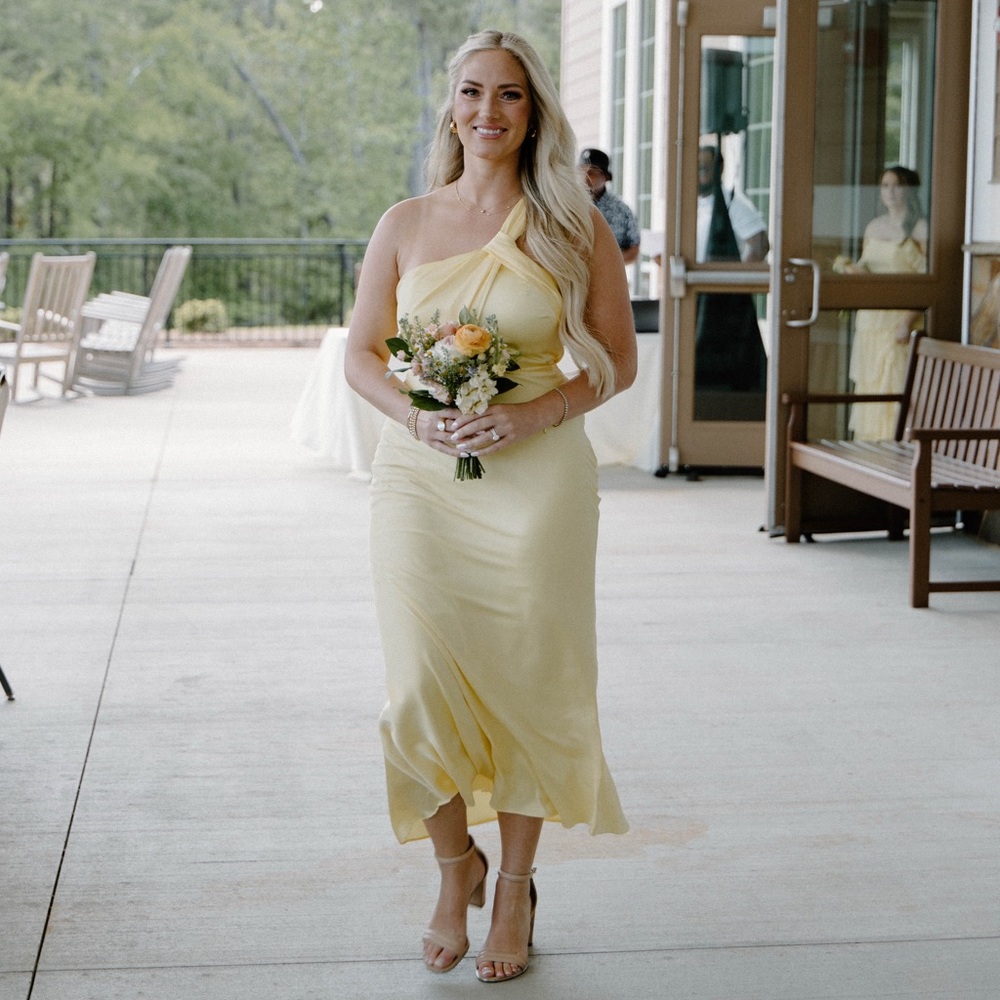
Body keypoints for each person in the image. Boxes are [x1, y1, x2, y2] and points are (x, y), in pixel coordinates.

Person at [345, 29, 635, 984]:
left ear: (534, 111)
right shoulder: (406, 221)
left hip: (537, 480)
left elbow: (617, 362)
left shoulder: (572, 226)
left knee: (529, 682)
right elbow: (361, 355)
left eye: (510, 95)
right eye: (473, 93)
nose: (489, 113)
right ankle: (451, 865)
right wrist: (416, 419)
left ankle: (512, 886)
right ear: (451, 107)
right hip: (419, 481)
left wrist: (537, 413)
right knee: (419, 689)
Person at [834, 166, 927, 440]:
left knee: (895, 384)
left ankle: (895, 450)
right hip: (871, 321)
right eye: (885, 185)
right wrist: (849, 268)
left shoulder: (920, 228)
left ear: (909, 190)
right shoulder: (874, 226)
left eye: (896, 185)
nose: (890, 191)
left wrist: (907, 321)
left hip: (899, 321)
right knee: (871, 386)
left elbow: (928, 282)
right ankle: (870, 451)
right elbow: (867, 267)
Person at [694, 145, 769, 398]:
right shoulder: (687, 205)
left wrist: (734, 280)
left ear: (719, 170)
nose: (699, 174)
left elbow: (759, 244)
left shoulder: (733, 202)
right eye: (696, 168)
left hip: (722, 302)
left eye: (705, 168)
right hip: (691, 296)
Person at [579, 147, 641, 263]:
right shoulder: (566, 205)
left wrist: (607, 263)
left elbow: (633, 250)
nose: (584, 177)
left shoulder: (622, 210)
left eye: (591, 172)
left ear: (605, 176)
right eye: (581, 171)